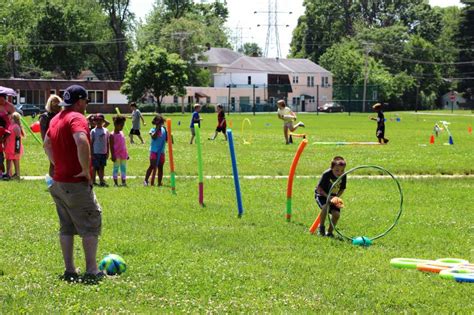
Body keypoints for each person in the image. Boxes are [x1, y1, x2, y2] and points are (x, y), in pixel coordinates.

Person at [43, 84, 104, 283]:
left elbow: (47, 144)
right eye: (86, 101)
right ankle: (92, 270)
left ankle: (70, 269)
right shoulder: (76, 118)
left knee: (66, 226)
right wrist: (85, 170)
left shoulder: (55, 119)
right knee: (90, 222)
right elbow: (81, 140)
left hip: (58, 181)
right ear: (79, 101)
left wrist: (56, 163)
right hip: (75, 183)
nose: (86, 105)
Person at [315, 156, 347, 237]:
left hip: (333, 197)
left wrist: (336, 197)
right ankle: (321, 228)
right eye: (337, 170)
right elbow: (319, 189)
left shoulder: (343, 175)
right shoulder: (326, 174)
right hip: (322, 195)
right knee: (325, 207)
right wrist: (327, 197)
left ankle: (329, 232)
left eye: (342, 170)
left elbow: (342, 189)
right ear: (332, 168)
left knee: (336, 214)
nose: (339, 172)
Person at [39, 95, 63, 177]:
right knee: (53, 163)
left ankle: (58, 180)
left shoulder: (61, 115)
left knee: (60, 162)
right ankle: (53, 182)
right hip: (50, 143)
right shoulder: (45, 116)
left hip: (61, 142)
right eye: (54, 101)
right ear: (50, 103)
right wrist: (45, 144)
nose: (56, 104)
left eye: (57, 101)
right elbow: (42, 131)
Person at [144, 114, 167, 186]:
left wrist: (168, 133)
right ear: (155, 122)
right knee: (152, 166)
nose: (159, 124)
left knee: (160, 167)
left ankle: (159, 183)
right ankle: (146, 180)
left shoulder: (164, 130)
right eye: (158, 122)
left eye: (160, 122)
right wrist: (158, 129)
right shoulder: (152, 130)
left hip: (162, 152)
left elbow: (168, 140)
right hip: (154, 151)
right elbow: (153, 137)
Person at [4, 112, 24, 180]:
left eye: (11, 117)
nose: (9, 118)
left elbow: (18, 139)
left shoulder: (16, 126)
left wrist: (17, 149)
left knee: (16, 161)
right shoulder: (10, 125)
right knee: (8, 160)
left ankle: (17, 174)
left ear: (14, 119)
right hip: (9, 147)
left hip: (14, 147)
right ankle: (8, 173)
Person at [90, 114, 109, 187]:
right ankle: (93, 181)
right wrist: (91, 153)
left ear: (103, 121)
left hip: (103, 152)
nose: (99, 122)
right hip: (96, 152)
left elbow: (107, 142)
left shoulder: (106, 130)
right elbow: (91, 143)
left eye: (100, 120)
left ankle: (101, 181)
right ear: (94, 122)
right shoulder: (93, 131)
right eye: (97, 120)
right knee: (94, 167)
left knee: (102, 167)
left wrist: (107, 152)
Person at [109, 115, 128, 187]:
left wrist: (127, 154)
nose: (122, 127)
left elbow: (124, 145)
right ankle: (115, 183)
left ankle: (123, 182)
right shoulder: (112, 135)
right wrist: (112, 155)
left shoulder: (122, 133)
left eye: (123, 125)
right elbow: (111, 146)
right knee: (116, 168)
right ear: (115, 124)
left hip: (123, 154)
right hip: (116, 155)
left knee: (123, 168)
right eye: (121, 125)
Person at [0, 113, 11, 178]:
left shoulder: (1, 128)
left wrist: (3, 139)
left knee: (0, 162)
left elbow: (8, 133)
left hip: (0, 150)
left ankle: (1, 173)